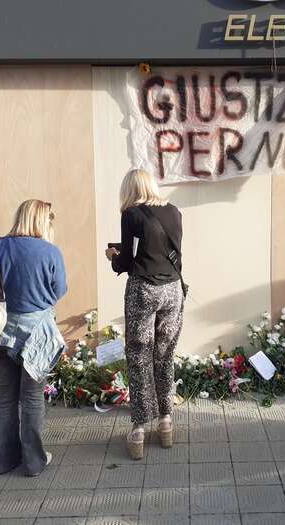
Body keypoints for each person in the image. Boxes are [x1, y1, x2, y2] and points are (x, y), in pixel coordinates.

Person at [0, 199, 67, 477]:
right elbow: (60, 289)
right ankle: (33, 462)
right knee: (32, 397)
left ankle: (5, 460)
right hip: (38, 332)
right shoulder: (50, 252)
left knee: (6, 396)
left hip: (3, 330)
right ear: (43, 221)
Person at [105, 169, 184, 460]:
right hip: (173, 290)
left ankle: (139, 428)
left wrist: (113, 257)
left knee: (139, 355)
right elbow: (166, 252)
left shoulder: (132, 215)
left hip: (144, 290)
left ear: (130, 189)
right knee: (164, 354)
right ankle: (166, 422)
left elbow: (127, 261)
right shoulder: (175, 212)